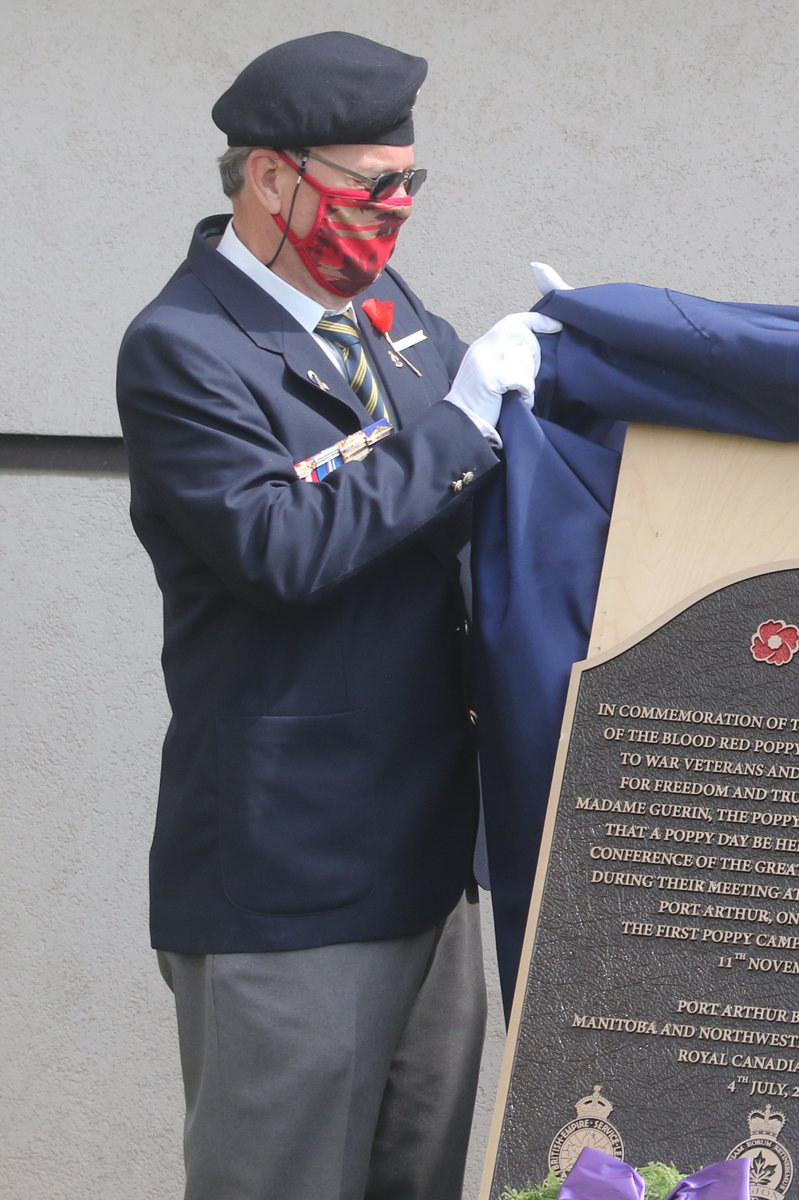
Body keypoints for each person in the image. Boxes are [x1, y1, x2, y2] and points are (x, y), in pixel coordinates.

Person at [115, 31, 558, 1200]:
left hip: (428, 858)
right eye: (373, 186)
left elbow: (470, 492)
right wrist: (459, 429)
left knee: (417, 1178)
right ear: (272, 177)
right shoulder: (187, 350)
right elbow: (279, 545)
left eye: (412, 184)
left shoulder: (385, 312)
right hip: (289, 878)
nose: (396, 213)